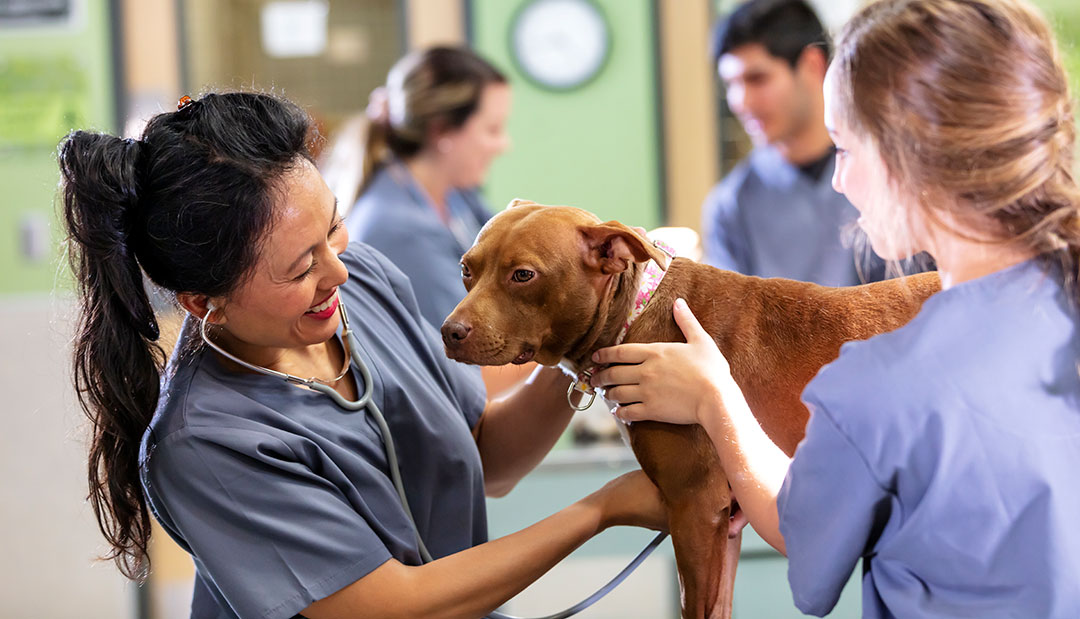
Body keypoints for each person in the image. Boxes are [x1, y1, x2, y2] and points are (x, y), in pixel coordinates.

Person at [59, 92, 665, 619]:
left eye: (334, 227)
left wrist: (583, 343)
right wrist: (603, 508)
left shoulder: (364, 284)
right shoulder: (207, 444)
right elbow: (392, 606)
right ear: (201, 302)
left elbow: (488, 457)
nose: (338, 270)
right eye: (301, 268)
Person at [593, 0, 1080, 616]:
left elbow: (808, 541)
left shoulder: (879, 385)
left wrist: (716, 400)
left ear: (910, 153)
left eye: (846, 150)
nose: (839, 182)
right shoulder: (1057, 305)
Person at [703, 0, 889, 285]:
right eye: (731, 84)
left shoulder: (890, 176)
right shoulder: (732, 207)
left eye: (757, 78)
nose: (740, 102)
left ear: (812, 65)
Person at [330, 46, 507, 331]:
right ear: (442, 131)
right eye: (493, 129)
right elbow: (467, 358)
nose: (503, 145)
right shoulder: (401, 230)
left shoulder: (459, 197)